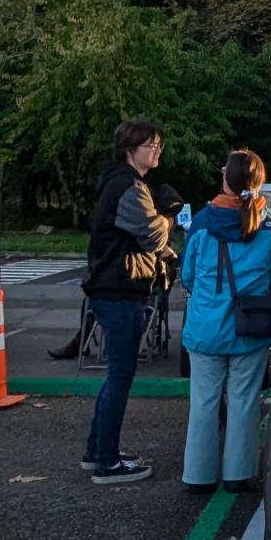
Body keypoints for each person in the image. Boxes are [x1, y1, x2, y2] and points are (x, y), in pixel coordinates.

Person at [179, 149, 271, 494]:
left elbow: (188, 276)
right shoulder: (270, 225)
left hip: (206, 328)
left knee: (204, 402)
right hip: (250, 328)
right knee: (244, 401)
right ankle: (239, 475)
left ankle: (198, 475)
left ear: (227, 178)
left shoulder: (202, 222)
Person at [80, 121, 178, 485]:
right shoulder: (128, 186)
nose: (156, 150)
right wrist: (168, 216)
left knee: (115, 375)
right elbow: (152, 234)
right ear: (129, 148)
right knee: (121, 375)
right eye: (150, 145)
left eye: (158, 145)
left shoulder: (120, 183)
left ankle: (97, 451)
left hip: (113, 287)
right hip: (120, 289)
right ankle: (107, 463)